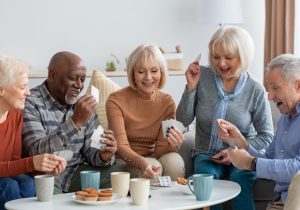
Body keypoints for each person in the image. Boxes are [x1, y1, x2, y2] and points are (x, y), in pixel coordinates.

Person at [176, 25, 274, 210]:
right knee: (208, 182)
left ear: (243, 56)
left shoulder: (255, 89)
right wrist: (190, 88)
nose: (221, 64)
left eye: (228, 57)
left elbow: (267, 136)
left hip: (243, 155)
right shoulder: (202, 76)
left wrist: (236, 152)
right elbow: (183, 121)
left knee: (240, 180)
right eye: (216, 57)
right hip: (206, 154)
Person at [22, 51, 119, 193]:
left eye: (83, 79)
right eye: (73, 78)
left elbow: (92, 153)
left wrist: (104, 155)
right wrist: (75, 121)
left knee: (129, 174)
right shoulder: (30, 103)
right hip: (46, 176)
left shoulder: (84, 105)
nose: (79, 86)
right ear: (52, 75)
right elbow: (36, 152)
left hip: (77, 173)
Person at [216, 54, 300, 210]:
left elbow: (298, 169)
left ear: (298, 86)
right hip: (280, 202)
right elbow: (268, 158)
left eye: (275, 87)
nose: (269, 96)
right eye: (269, 88)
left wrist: (251, 163)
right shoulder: (285, 120)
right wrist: (241, 143)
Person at [106, 44, 185, 180]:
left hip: (153, 156)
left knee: (175, 161)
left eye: (154, 71)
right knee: (153, 168)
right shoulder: (115, 100)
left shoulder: (167, 102)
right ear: (133, 74)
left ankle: (172, 201)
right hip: (125, 161)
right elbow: (120, 146)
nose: (148, 77)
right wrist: (143, 162)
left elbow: (160, 150)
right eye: (141, 71)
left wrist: (173, 145)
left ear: (161, 72)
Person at [0, 56, 66, 210]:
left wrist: (44, 166)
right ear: (2, 89)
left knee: (29, 183)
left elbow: (15, 160)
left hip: (4, 176)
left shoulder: (15, 114)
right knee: (9, 187)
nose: (28, 93)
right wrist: (31, 162)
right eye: (22, 88)